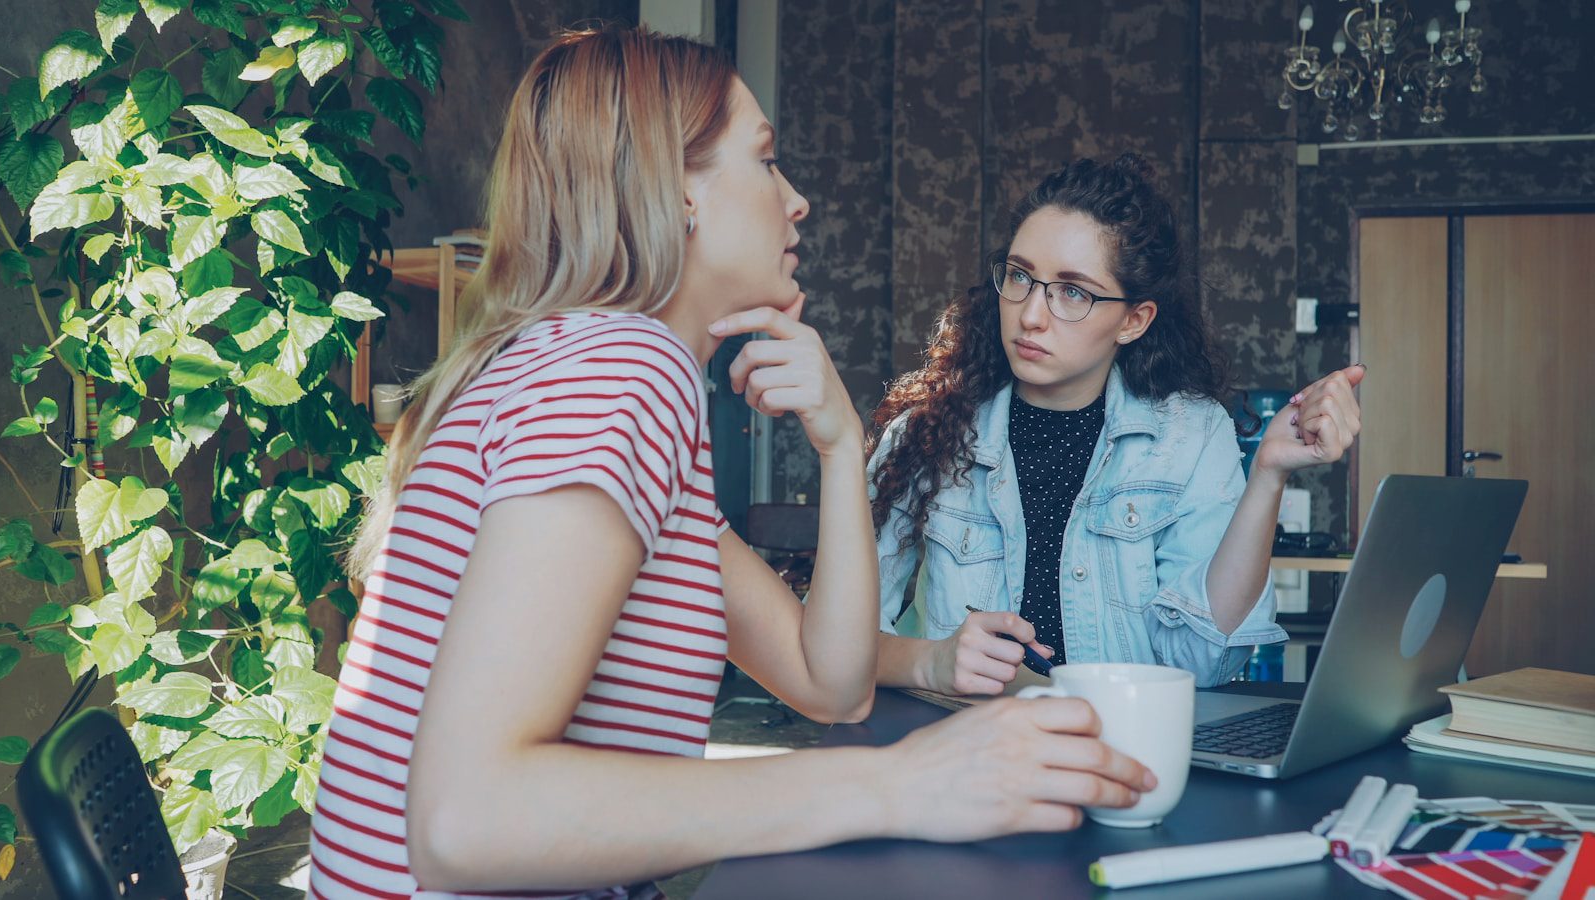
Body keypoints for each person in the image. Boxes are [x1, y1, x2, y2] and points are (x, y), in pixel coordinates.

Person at [309, 29, 1156, 900]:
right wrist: (900, 785)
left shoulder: (581, 368)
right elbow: (466, 821)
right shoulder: (618, 372)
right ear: (678, 191)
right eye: (767, 162)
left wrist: (836, 444)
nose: (797, 201)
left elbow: (830, 683)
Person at [868, 155, 1364, 695]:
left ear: (1134, 320)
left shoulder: (1190, 437)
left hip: (1130, 757)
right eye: (1020, 276)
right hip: (970, 757)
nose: (1031, 314)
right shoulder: (928, 433)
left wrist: (1268, 474)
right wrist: (933, 660)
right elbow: (834, 647)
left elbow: (1203, 660)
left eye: (1073, 291)